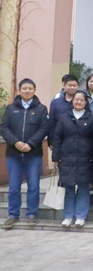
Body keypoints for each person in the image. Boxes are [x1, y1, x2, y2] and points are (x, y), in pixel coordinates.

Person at [1, 79, 49, 229]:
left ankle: (31, 214)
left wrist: (31, 144)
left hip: (33, 154)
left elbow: (44, 129)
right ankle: (12, 214)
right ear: (19, 90)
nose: (27, 91)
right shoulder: (10, 109)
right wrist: (15, 142)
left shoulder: (41, 109)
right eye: (24, 88)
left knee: (33, 186)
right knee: (14, 186)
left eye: (30, 88)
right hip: (13, 154)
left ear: (34, 90)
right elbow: (4, 128)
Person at [52, 90, 93, 227]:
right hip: (67, 158)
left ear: (86, 102)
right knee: (69, 187)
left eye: (81, 100)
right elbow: (57, 138)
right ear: (72, 101)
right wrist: (55, 157)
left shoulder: (91, 119)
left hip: (86, 158)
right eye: (76, 99)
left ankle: (80, 216)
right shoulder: (64, 117)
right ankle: (68, 216)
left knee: (83, 187)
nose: (79, 102)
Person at [48, 74, 79, 147]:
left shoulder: (81, 102)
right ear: (64, 86)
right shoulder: (55, 102)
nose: (72, 87)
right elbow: (51, 123)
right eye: (70, 85)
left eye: (74, 85)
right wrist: (51, 142)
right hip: (59, 141)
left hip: (77, 141)